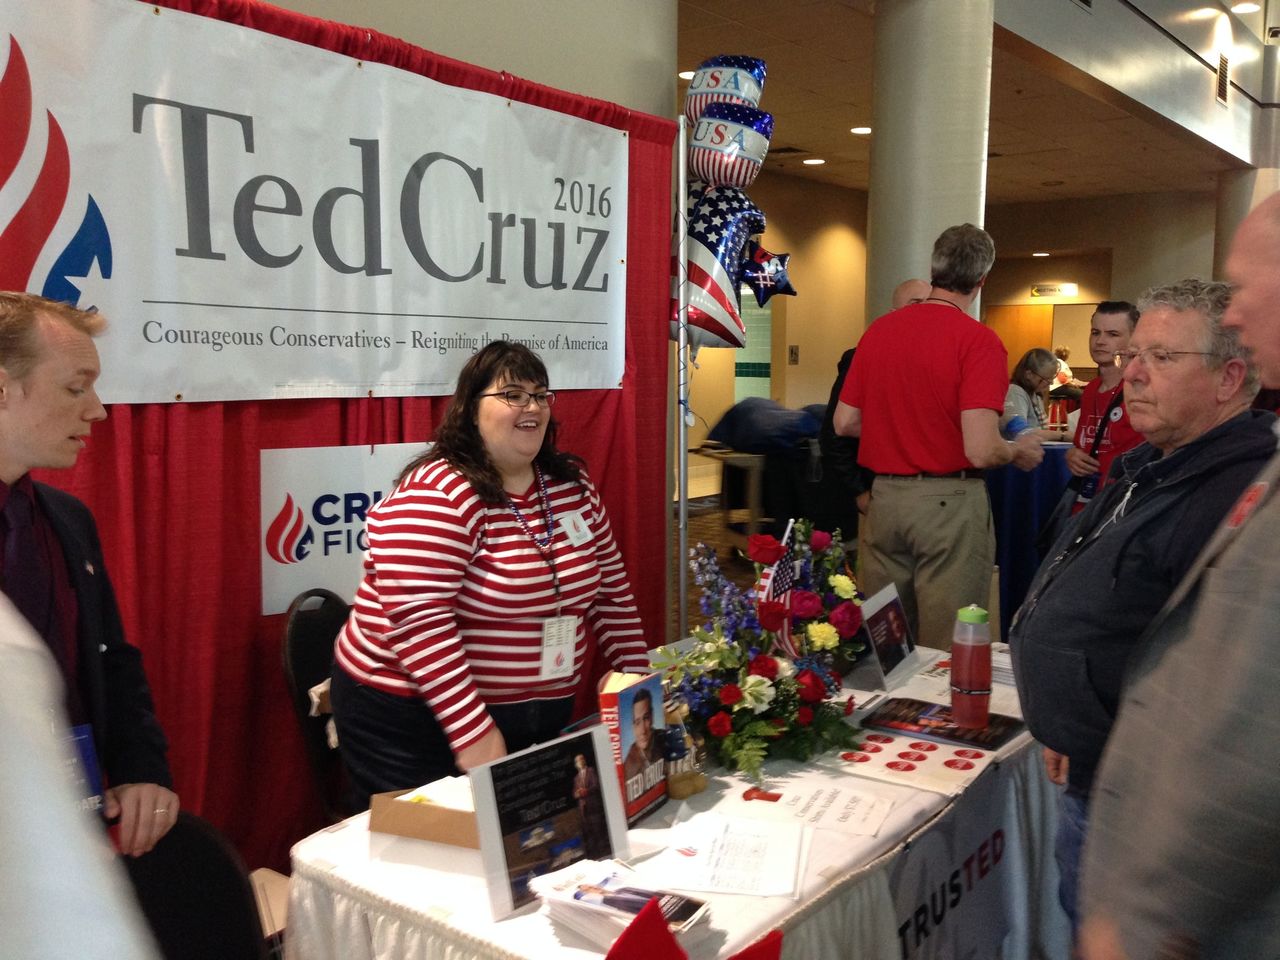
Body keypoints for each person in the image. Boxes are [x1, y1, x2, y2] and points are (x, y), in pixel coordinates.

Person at [1009, 278, 1271, 936]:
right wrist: (1078, 721)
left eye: (1161, 358)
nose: (1133, 375)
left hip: (1148, 816)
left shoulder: (1236, 497)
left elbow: (1215, 684)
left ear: (1228, 378)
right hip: (1098, 768)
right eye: (1133, 357)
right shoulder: (1156, 464)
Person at [1079, 194, 1280, 960]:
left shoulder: (1237, 473)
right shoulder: (1148, 463)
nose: (1241, 312)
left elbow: (1256, 732)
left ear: (1227, 382)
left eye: (1254, 285)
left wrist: (1156, 913)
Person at [331, 340, 651, 804]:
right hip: (410, 714)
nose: (532, 407)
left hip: (527, 713)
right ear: (469, 410)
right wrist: (473, 731)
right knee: (435, 856)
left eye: (541, 395)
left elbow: (611, 594)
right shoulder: (439, 492)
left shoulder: (570, 487)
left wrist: (636, 680)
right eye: (513, 394)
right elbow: (422, 624)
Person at [0, 292, 177, 858]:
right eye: (76, 387)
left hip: (69, 831)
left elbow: (110, 661)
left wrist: (141, 770)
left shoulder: (67, 521)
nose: (98, 410)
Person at [834, 224, 1043, 649]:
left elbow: (844, 422)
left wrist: (900, 426)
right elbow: (981, 449)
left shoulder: (880, 332)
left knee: (885, 640)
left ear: (933, 269)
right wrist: (1016, 451)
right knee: (947, 643)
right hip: (949, 505)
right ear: (982, 280)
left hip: (886, 500)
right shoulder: (978, 341)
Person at [1065, 302, 1145, 512]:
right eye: (1095, 332)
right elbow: (1082, 444)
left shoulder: (1141, 389)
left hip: (1121, 507)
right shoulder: (1091, 389)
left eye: (1112, 334)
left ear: (1133, 339)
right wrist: (1072, 455)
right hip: (1085, 507)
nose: (1100, 341)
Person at [1001, 348, 1067, 440]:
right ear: (1029, 374)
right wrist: (1063, 435)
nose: (1051, 383)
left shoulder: (1035, 395)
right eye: (1046, 379)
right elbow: (1021, 431)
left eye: (1052, 378)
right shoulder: (1015, 392)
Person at [572, 753, 610, 859]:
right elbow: (574, 794)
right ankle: (595, 856)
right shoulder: (576, 778)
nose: (580, 762)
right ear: (576, 764)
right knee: (590, 835)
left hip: (594, 807)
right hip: (584, 812)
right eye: (578, 760)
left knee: (599, 831)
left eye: (581, 759)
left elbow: (596, 785)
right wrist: (578, 793)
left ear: (584, 760)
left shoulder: (591, 771)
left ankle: (604, 855)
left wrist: (586, 791)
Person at [622, 687, 663, 783]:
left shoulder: (663, 739)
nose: (643, 730)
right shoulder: (629, 764)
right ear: (632, 726)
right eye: (637, 722)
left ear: (652, 716)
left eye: (646, 718)